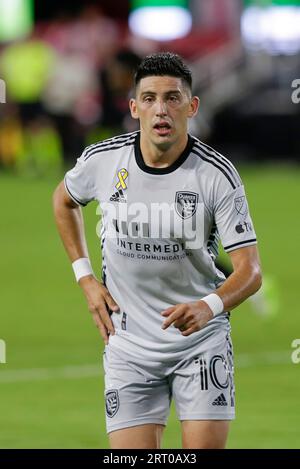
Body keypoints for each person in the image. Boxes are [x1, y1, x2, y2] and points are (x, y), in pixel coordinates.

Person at [53, 52, 262, 449]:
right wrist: (85, 278)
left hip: (200, 343)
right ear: (133, 107)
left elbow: (250, 271)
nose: (160, 109)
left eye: (172, 98)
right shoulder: (103, 160)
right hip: (128, 344)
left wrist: (209, 306)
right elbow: (63, 201)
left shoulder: (216, 174)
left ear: (192, 106)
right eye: (148, 98)